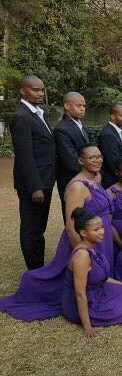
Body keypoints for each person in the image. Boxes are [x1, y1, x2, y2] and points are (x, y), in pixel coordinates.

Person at [0, 144, 114, 321]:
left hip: (100, 235)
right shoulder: (77, 186)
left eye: (99, 156)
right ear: (80, 161)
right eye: (92, 157)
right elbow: (71, 226)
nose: (98, 160)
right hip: (84, 241)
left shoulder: (96, 177)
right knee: (73, 278)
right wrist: (84, 252)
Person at [61, 208, 122, 337]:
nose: (102, 232)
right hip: (87, 303)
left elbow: (102, 278)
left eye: (102, 227)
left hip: (99, 290)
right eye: (96, 230)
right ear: (83, 233)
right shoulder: (81, 256)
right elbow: (79, 293)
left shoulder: (91, 248)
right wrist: (87, 327)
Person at [9, 75, 56, 270]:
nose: (40, 93)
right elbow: (25, 156)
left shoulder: (38, 114)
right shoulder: (21, 117)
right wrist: (35, 187)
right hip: (34, 185)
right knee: (31, 228)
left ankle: (39, 266)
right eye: (35, 90)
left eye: (42, 90)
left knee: (39, 228)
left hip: (45, 181)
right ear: (23, 91)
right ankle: (35, 270)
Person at [53, 92, 90, 219]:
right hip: (71, 180)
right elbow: (71, 160)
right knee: (73, 218)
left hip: (85, 178)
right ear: (67, 106)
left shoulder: (80, 125)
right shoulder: (61, 129)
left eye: (84, 106)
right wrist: (90, 170)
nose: (83, 108)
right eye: (79, 105)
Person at [97, 103, 122, 189]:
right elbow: (113, 163)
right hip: (113, 183)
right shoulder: (108, 135)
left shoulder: (117, 132)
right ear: (113, 116)